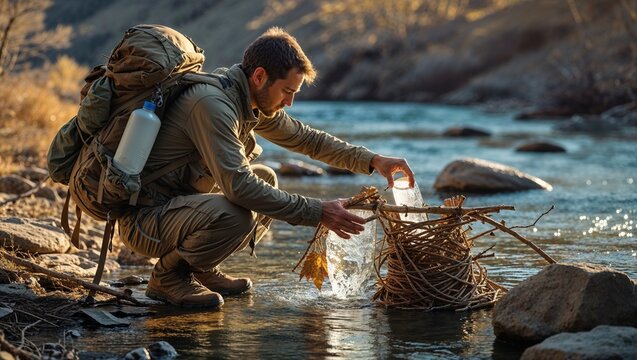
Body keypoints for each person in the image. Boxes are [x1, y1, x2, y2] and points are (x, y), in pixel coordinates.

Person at [117, 27, 415, 308]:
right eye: (287, 91)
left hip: (176, 209)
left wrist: (375, 160)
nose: (290, 102)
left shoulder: (247, 98)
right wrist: (320, 211)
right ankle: (168, 277)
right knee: (238, 213)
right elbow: (239, 186)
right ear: (260, 76)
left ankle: (200, 266)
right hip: (145, 219)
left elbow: (307, 140)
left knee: (267, 178)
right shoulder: (212, 105)